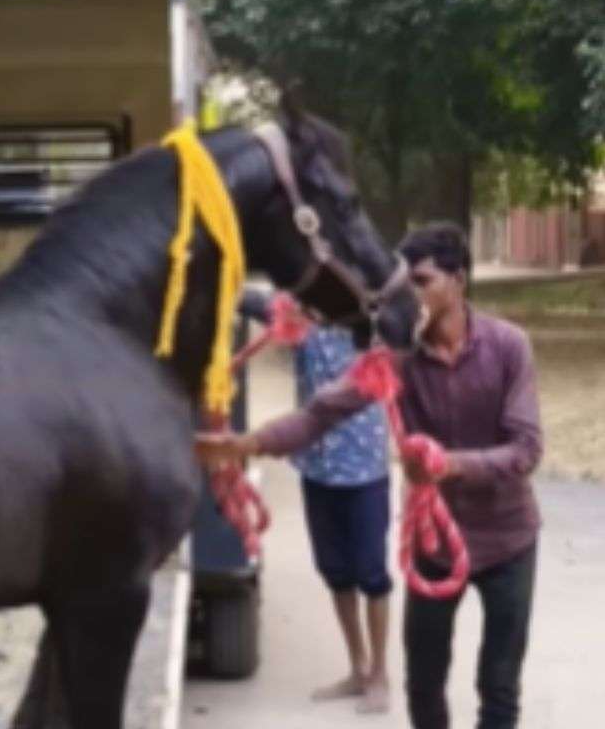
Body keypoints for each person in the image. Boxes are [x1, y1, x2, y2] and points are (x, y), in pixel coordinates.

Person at [199, 223, 542, 729]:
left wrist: (449, 464)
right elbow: (321, 413)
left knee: (499, 687)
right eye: (405, 285)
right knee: (423, 684)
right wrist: (249, 444)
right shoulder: (395, 359)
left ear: (458, 281)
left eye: (422, 282)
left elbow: (526, 449)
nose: (410, 296)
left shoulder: (509, 346)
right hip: (434, 545)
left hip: (508, 541)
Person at [239, 288, 393, 714]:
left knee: (372, 575)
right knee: (336, 573)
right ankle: (358, 668)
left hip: (364, 470)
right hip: (318, 469)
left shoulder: (370, 321)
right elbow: (252, 302)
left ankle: (380, 674)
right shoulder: (300, 320)